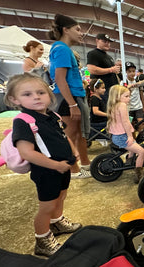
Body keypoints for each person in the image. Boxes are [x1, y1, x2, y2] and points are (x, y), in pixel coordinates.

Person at [4, 73, 82, 257]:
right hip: (46, 171)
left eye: (41, 92)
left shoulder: (52, 115)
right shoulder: (23, 121)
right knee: (46, 206)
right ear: (14, 99)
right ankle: (42, 239)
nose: (36, 97)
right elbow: (27, 152)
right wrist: (55, 166)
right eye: (27, 94)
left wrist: (74, 151)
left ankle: (57, 222)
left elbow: (64, 135)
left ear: (49, 95)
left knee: (61, 196)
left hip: (62, 167)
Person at [48, 14, 91, 179]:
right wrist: (72, 104)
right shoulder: (62, 49)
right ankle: (73, 170)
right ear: (65, 30)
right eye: (78, 29)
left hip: (73, 96)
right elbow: (60, 79)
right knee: (70, 135)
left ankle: (85, 166)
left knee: (79, 133)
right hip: (69, 98)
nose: (81, 33)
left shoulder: (62, 49)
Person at [107, 85, 144, 180]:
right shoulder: (122, 105)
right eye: (126, 96)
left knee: (133, 148)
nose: (129, 99)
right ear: (117, 96)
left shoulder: (114, 105)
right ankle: (139, 174)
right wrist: (130, 136)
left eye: (129, 96)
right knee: (142, 152)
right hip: (122, 136)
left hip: (117, 136)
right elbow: (125, 122)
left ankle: (130, 162)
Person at [86, 33, 121, 103]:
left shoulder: (109, 57)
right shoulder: (93, 54)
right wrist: (111, 69)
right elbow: (92, 69)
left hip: (112, 89)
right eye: (104, 41)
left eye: (108, 42)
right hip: (103, 90)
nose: (107, 44)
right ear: (97, 41)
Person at [122, 62, 144, 133]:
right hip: (129, 108)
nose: (132, 73)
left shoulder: (138, 82)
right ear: (126, 72)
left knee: (141, 122)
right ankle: (133, 139)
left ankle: (141, 138)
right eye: (129, 71)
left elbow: (141, 94)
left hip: (138, 106)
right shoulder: (123, 82)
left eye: (133, 71)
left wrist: (143, 106)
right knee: (130, 125)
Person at [88, 79, 108, 145]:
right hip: (97, 122)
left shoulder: (99, 97)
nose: (104, 90)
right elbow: (95, 111)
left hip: (101, 121)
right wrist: (107, 115)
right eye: (102, 88)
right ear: (96, 89)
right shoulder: (94, 99)